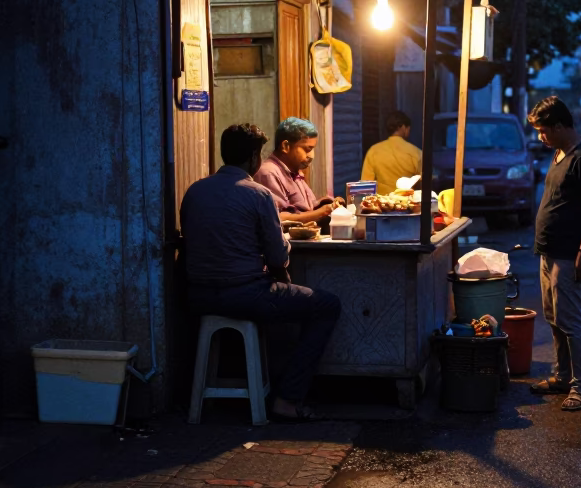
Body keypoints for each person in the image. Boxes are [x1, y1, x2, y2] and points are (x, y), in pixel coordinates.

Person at [180, 123, 341, 422]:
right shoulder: (258, 195)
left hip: (198, 297)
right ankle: (288, 399)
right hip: (245, 295)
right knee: (326, 304)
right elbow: (278, 257)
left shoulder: (194, 192)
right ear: (254, 158)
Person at [527, 95, 581, 412]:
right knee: (554, 319)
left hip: (569, 254)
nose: (541, 137)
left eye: (545, 131)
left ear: (560, 126)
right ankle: (561, 377)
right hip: (548, 251)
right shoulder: (558, 153)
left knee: (570, 322)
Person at [254, 117, 344, 227]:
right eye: (307, 149)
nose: (311, 156)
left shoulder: (295, 172)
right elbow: (279, 218)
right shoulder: (268, 173)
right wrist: (322, 212)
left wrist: (326, 204)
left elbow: (307, 208)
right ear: (285, 146)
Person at [361, 110, 423, 194]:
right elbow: (424, 182)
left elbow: (366, 184)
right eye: (408, 129)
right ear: (403, 127)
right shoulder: (416, 152)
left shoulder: (374, 151)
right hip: (407, 204)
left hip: (381, 204)